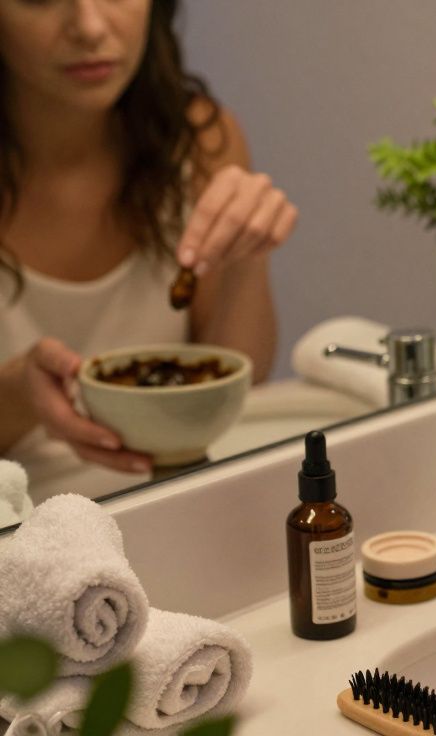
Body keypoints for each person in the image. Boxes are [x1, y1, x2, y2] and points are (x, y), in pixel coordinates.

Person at [0, 0, 297, 477]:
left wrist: (249, 254)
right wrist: (18, 393)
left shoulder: (200, 139)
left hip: (160, 497)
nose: (90, 26)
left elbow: (239, 373)